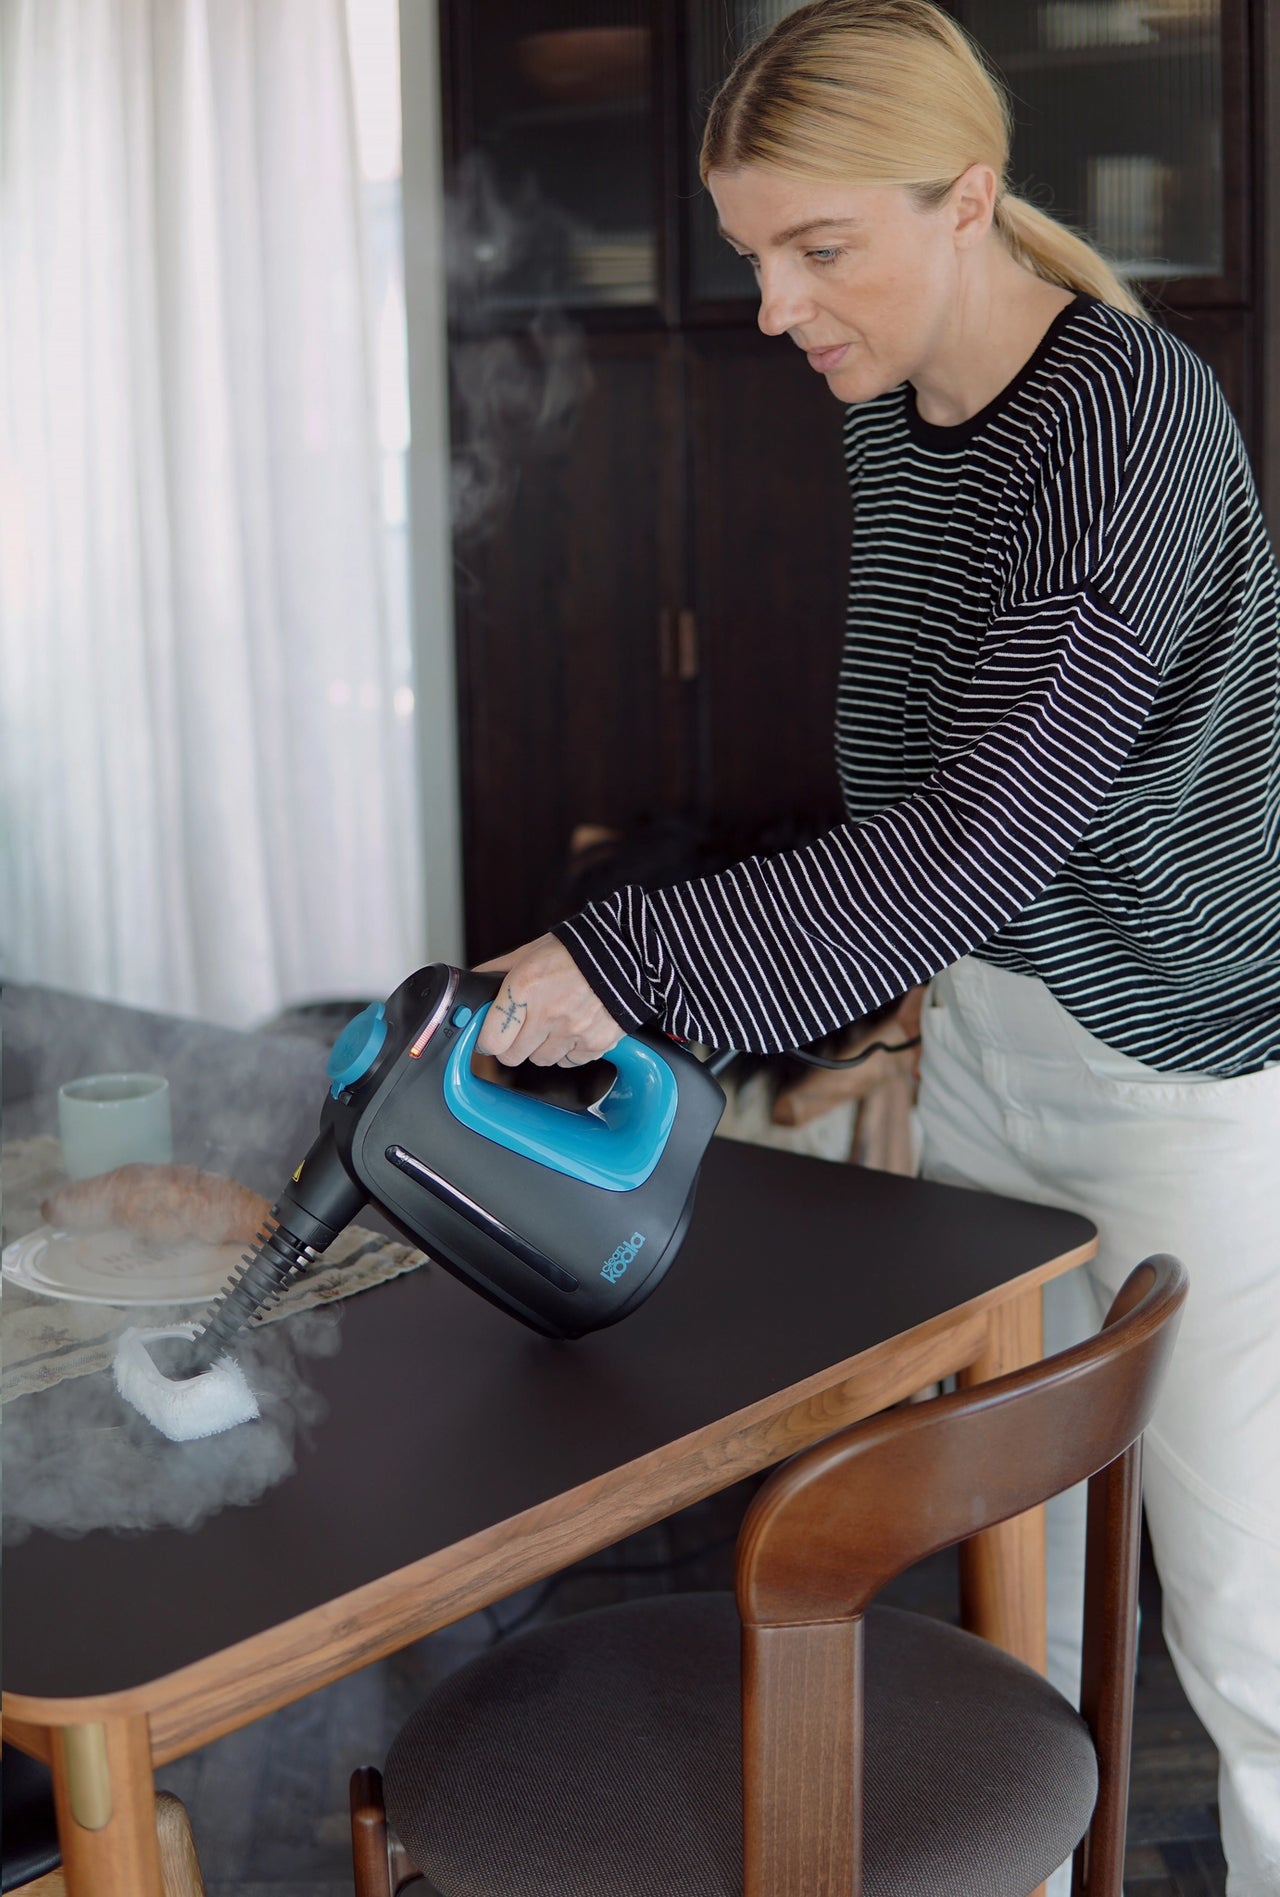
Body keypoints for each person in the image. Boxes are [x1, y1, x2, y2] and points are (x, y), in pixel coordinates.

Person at [474, 3, 1280, 1888]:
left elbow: (988, 826)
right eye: (753, 254)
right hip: (999, 1033)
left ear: (972, 198)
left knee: (1247, 1629)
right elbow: (933, 801)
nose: (775, 306)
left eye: (817, 248)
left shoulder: (1126, 432)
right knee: (1025, 1577)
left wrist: (628, 958)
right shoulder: (901, 409)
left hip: (1183, 1068)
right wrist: (900, 1003)